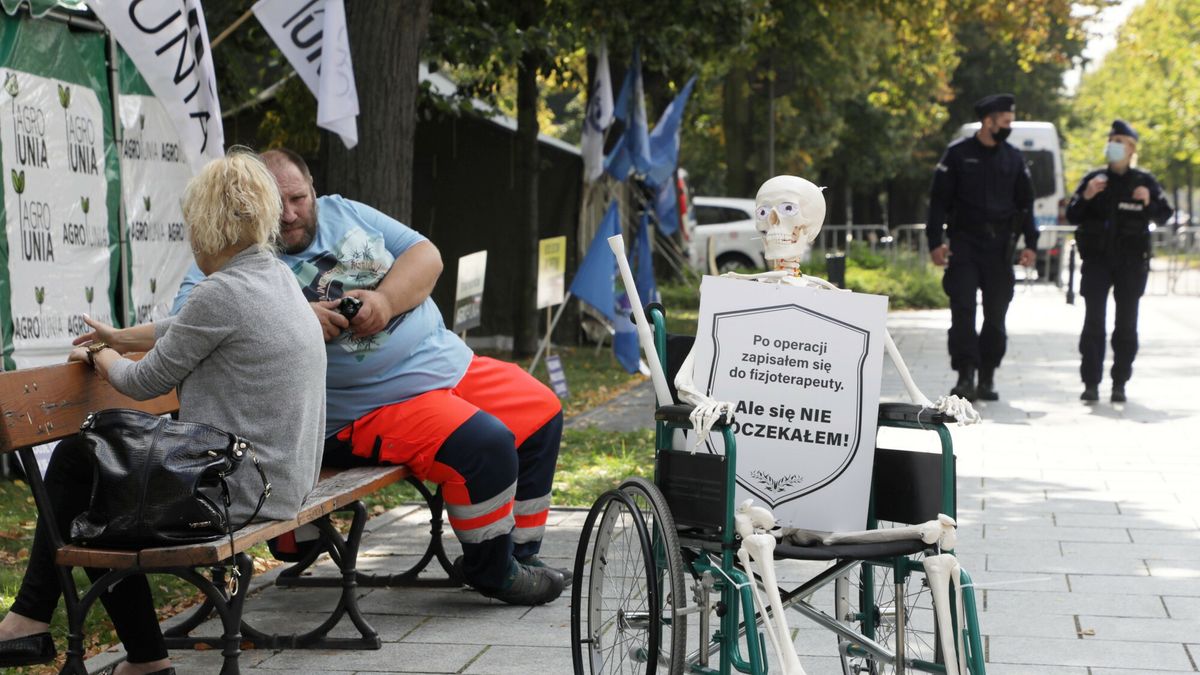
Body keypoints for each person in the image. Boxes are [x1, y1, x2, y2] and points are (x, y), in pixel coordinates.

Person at [171, 148, 567, 607]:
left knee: (542, 413)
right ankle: (493, 572)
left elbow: (426, 255)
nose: (290, 215)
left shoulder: (347, 212)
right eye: (277, 207)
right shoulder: (236, 254)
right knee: (487, 445)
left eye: (298, 198)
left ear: (312, 188)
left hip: (446, 363)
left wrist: (385, 303)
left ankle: (521, 553)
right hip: (372, 407)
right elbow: (185, 322)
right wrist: (295, 319)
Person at [0, 152, 326, 673]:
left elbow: (141, 380)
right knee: (88, 472)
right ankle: (69, 634)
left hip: (233, 490)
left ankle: (53, 628)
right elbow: (184, 328)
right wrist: (118, 336)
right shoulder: (272, 276)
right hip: (282, 479)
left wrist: (95, 355)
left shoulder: (220, 293)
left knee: (87, 486)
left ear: (209, 226)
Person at [926, 93, 1038, 402]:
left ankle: (987, 375)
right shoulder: (957, 155)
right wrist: (935, 242)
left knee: (995, 315)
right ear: (988, 121)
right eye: (1005, 122)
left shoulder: (1014, 159)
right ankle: (965, 375)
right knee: (962, 309)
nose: (1009, 127)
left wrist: (1032, 243)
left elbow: (1026, 204)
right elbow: (938, 202)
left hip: (1000, 248)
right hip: (965, 244)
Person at [1066, 120, 1172, 403]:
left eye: (1120, 141)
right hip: (1097, 262)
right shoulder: (1094, 179)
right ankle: (1090, 383)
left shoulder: (1143, 181)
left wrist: (1149, 201)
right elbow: (1073, 214)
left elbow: (1164, 215)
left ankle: (1119, 384)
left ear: (1131, 148)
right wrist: (1087, 196)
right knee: (1093, 325)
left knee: (1126, 326)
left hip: (1130, 263)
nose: (1113, 145)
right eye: (1111, 139)